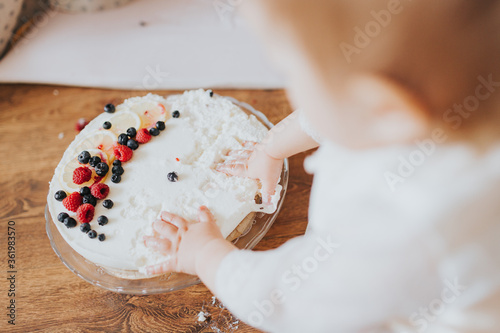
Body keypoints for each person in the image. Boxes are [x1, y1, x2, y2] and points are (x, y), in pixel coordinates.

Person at [143, 1, 500, 332]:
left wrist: (206, 253)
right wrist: (272, 147)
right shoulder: (444, 105)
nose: (289, 87)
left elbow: (283, 300)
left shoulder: (401, 224)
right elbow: (342, 106)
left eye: (290, 71)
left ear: (385, 108)